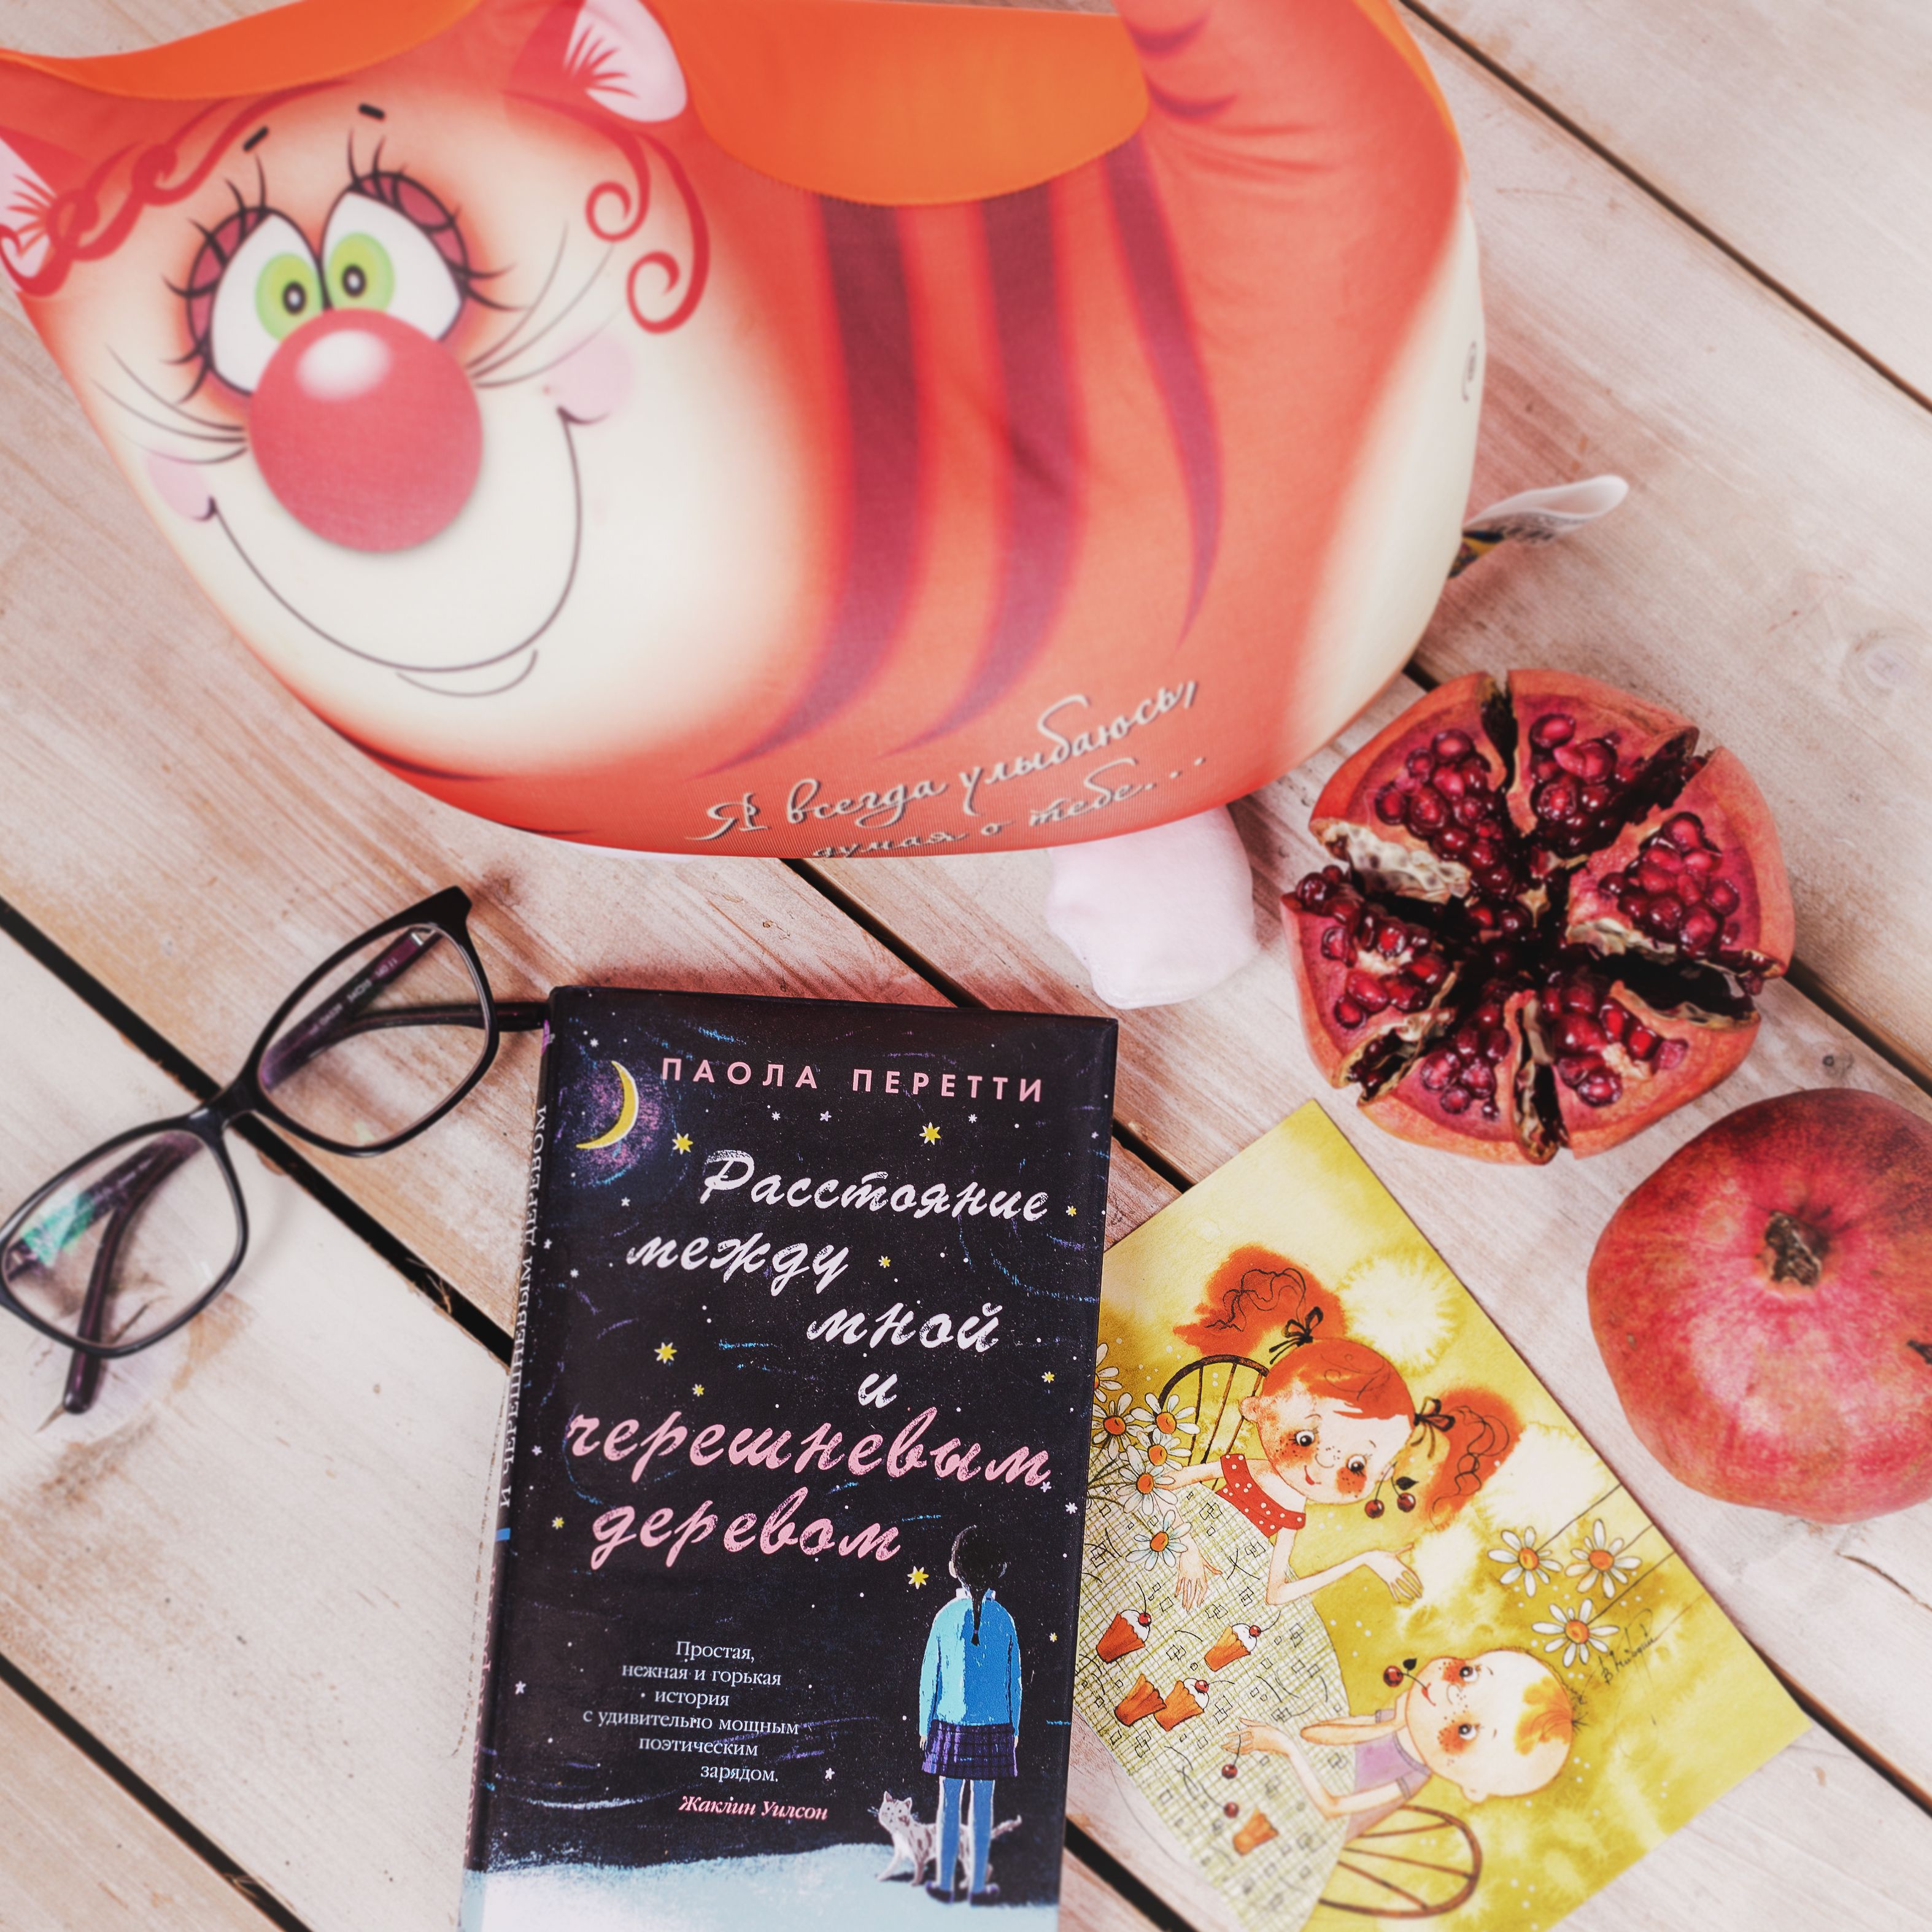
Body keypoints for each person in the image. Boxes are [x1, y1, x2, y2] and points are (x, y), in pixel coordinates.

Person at [1159, 1319, 1510, 1611]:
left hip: (1212, 1587)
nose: (1325, 1461)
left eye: (1356, 1466)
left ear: (1380, 1477)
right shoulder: (1247, 1470)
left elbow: (1275, 1594)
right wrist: (1187, 1549)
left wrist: (1365, 1559)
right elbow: (1159, 1485)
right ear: (1258, 1409)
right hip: (1167, 1546)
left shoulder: (1291, 1514)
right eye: (1305, 1439)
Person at [1227, 1648, 1574, 1837]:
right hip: (1279, 1787)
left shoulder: (1411, 1778)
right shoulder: (1400, 1726)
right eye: (1467, 1674)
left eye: (1465, 1731)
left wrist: (1286, 1748)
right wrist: (1389, 1724)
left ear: (1473, 1787)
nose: (1451, 1694)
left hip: (1293, 1830)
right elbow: (1314, 1734)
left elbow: (1331, 1809)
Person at [918, 1525, 1021, 1905]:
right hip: (995, 1727)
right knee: (982, 1808)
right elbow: (1014, 1681)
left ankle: (945, 1883)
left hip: (949, 1724)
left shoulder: (945, 1617)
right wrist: (1015, 1727)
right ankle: (977, 1887)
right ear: (998, 1570)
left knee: (948, 1806)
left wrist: (924, 1725)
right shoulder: (1005, 1620)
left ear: (953, 1568)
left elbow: (930, 1676)